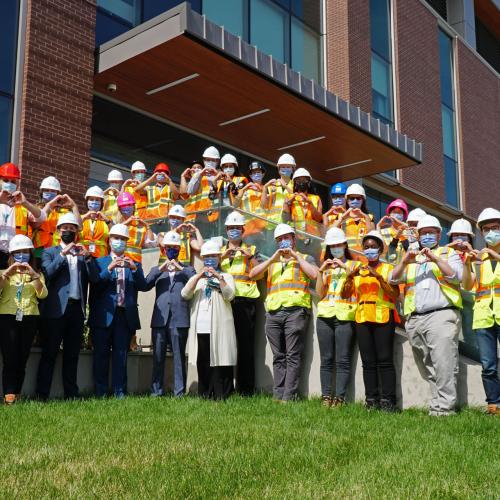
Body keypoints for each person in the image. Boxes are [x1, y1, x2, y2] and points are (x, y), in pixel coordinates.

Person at [391, 215, 463, 416]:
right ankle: (436, 405)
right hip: (415, 318)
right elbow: (392, 278)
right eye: (424, 233)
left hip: (440, 315)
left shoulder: (448, 253)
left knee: (444, 363)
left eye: (431, 232)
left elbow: (456, 278)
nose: (428, 236)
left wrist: (436, 259)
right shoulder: (412, 257)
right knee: (428, 364)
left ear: (439, 234)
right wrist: (406, 260)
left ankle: (445, 409)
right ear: (418, 235)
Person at [249, 224, 318, 402]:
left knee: (292, 355)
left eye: (286, 238)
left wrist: (295, 256)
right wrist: (272, 259)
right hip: (273, 313)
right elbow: (253, 274)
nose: (283, 242)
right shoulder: (273, 262)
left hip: (296, 311)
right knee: (278, 356)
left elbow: (315, 275)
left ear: (294, 239)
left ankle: (289, 395)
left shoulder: (305, 257)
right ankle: (278, 394)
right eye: (279, 239)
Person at [341, 230, 399, 411]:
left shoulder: (388, 269)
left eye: (373, 247)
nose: (369, 250)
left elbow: (394, 294)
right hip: (363, 317)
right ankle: (371, 400)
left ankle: (388, 401)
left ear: (381, 249)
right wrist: (350, 276)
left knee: (385, 360)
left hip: (383, 316)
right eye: (366, 247)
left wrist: (379, 277)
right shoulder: (357, 269)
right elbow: (345, 294)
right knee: (368, 361)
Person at [87, 223, 148, 398]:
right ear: (109, 240)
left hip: (124, 316)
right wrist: (110, 269)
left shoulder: (134, 264)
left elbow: (143, 286)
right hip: (103, 316)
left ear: (127, 242)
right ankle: (100, 392)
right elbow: (96, 285)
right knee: (101, 355)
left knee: (121, 356)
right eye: (116, 238)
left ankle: (120, 392)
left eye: (123, 239)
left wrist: (135, 269)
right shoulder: (99, 262)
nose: (119, 242)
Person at [36, 212, 91, 400]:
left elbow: (94, 278)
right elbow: (48, 273)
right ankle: (42, 394)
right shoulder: (49, 252)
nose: (68, 231)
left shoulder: (82, 254)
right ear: (58, 231)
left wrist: (89, 257)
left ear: (77, 232)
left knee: (72, 354)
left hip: (76, 309)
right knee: (49, 353)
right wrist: (62, 254)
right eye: (65, 228)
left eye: (72, 228)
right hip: (55, 310)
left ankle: (71, 394)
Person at [182, 240, 237, 400]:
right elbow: (185, 294)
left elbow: (230, 295)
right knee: (203, 361)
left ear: (219, 258)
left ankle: (222, 394)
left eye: (213, 256)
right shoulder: (198, 279)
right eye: (206, 257)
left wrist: (219, 278)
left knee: (220, 359)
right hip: (201, 326)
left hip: (220, 326)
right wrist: (199, 275)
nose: (210, 260)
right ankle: (205, 393)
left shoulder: (226, 276)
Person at [143, 231, 196, 397]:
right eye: (168, 248)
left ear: (179, 249)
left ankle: (179, 392)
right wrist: (161, 268)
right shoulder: (157, 270)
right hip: (159, 320)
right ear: (163, 250)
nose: (171, 250)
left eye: (174, 247)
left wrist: (180, 267)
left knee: (179, 358)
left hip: (179, 320)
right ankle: (156, 391)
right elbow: (145, 284)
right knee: (158, 357)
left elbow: (195, 278)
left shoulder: (187, 269)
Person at [0, 235, 47, 404]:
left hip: (29, 317)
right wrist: (6, 274)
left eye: (25, 252)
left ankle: (17, 393)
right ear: (11, 255)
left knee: (22, 357)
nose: (21, 256)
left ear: (30, 254)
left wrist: (34, 275)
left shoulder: (37, 275)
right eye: (18, 252)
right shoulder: (3, 273)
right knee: (9, 357)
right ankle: (9, 394)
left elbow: (43, 294)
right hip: (7, 318)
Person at [462, 207, 500, 415]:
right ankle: (494, 405)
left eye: (495, 228)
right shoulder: (479, 259)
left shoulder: (490, 255)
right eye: (486, 229)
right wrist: (468, 265)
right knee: (489, 365)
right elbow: (468, 285)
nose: (491, 232)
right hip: (484, 317)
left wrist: (495, 255)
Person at [315, 227, 359, 407]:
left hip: (345, 316)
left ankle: (340, 398)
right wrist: (320, 272)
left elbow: (356, 282)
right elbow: (319, 293)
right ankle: (326, 397)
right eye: (332, 246)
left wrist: (343, 266)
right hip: (325, 315)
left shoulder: (354, 265)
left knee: (342, 360)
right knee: (326, 359)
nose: (335, 248)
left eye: (338, 244)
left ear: (345, 244)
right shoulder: (326, 267)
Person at [220, 211, 262, 395]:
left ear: (243, 230)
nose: (234, 231)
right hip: (224, 301)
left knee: (245, 346)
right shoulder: (219, 250)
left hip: (245, 301)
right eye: (231, 228)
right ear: (226, 230)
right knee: (225, 345)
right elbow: (208, 269)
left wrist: (249, 257)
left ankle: (246, 390)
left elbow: (260, 274)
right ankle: (226, 388)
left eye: (237, 228)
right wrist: (223, 256)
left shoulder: (252, 250)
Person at [0, 163, 45, 269]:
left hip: (15, 255)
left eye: (13, 181)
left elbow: (41, 217)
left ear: (18, 184)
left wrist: (25, 203)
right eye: (6, 180)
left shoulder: (21, 204)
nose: (9, 184)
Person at [32, 176, 82, 259]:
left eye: (52, 191)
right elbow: (35, 224)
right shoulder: (36, 208)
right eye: (46, 190)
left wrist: (74, 206)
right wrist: (49, 206)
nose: (49, 192)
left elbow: (79, 227)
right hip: (39, 248)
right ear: (41, 192)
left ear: (58, 194)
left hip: (57, 248)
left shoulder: (64, 212)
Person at [114, 192, 157, 264]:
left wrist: (147, 227)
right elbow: (113, 235)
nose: (126, 207)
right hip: (120, 262)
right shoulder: (115, 223)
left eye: (129, 204)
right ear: (119, 208)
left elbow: (152, 245)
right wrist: (126, 222)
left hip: (136, 263)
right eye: (123, 205)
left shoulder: (140, 225)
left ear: (134, 206)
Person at [333, 183, 374, 255]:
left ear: (362, 200)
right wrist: (342, 218)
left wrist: (366, 218)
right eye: (352, 198)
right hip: (347, 255)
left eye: (358, 198)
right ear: (347, 200)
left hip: (364, 255)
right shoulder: (340, 216)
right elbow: (330, 231)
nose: (355, 200)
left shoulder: (369, 217)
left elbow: (373, 236)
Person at [183, 147, 221, 222]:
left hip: (214, 217)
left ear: (217, 161)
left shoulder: (220, 175)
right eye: (207, 160)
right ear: (204, 160)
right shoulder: (198, 175)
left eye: (213, 160)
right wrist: (200, 174)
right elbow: (190, 191)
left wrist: (218, 176)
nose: (210, 162)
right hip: (198, 216)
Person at [283, 168, 323, 235]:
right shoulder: (289, 197)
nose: (301, 182)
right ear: (295, 183)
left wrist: (310, 203)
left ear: (309, 182)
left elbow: (318, 219)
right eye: (298, 180)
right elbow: (285, 218)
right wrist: (288, 203)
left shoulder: (316, 198)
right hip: (296, 235)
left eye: (304, 180)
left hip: (313, 236)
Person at [233, 161, 267, 235]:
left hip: (262, 228)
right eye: (253, 173)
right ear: (250, 175)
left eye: (258, 172)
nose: (256, 174)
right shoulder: (244, 190)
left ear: (263, 174)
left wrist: (263, 190)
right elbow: (234, 205)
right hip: (247, 229)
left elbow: (264, 206)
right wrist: (244, 188)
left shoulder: (267, 189)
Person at [261, 153, 295, 223]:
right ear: (278, 169)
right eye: (283, 167)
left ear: (293, 169)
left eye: (288, 167)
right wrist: (265, 188)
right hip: (271, 223)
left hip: (288, 224)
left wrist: (285, 186)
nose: (285, 169)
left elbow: (296, 199)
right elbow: (263, 206)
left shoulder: (295, 185)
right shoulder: (272, 184)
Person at [80, 186, 110, 258]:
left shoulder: (107, 219)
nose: (94, 202)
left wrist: (107, 221)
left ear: (101, 203)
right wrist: (83, 217)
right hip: (82, 256)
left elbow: (114, 235)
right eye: (91, 199)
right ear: (87, 202)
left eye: (97, 200)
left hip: (101, 258)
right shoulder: (80, 218)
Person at [377, 198, 409, 264]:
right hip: (385, 267)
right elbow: (379, 247)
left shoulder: (407, 233)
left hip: (402, 270)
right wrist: (378, 226)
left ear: (403, 216)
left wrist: (400, 224)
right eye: (394, 212)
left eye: (399, 212)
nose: (396, 215)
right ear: (389, 214)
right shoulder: (383, 232)